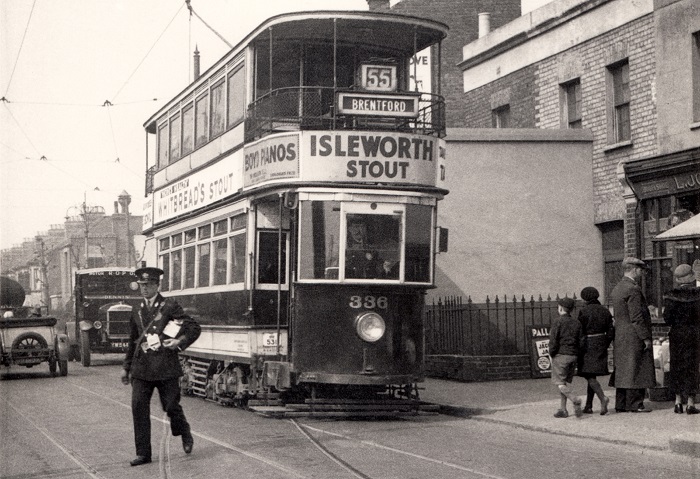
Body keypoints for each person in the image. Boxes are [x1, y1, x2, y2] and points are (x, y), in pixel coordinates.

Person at [121, 267, 201, 467]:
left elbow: (193, 327)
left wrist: (178, 341)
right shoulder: (136, 309)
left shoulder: (169, 306)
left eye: (148, 285)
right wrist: (126, 367)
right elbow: (133, 341)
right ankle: (143, 453)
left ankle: (184, 430)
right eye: (141, 285)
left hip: (165, 367)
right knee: (138, 407)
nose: (144, 289)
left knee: (171, 406)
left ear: (158, 285)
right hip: (141, 369)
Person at [609, 257, 656, 413]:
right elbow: (636, 317)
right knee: (637, 368)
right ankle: (636, 404)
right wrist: (645, 337)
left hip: (621, 334)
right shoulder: (633, 289)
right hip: (634, 334)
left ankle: (621, 404)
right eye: (640, 270)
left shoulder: (618, 287)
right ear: (635, 269)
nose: (641, 273)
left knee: (623, 369)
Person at [663, 264, 700, 414]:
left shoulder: (671, 296)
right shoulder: (698, 295)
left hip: (677, 335)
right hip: (694, 334)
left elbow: (667, 319)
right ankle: (691, 403)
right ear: (691, 277)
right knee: (693, 366)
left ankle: (677, 402)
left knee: (676, 365)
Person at [577, 286, 613, 415]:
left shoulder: (584, 311)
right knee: (592, 375)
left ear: (585, 298)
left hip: (588, 344)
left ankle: (603, 398)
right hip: (601, 342)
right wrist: (605, 343)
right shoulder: (605, 311)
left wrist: (579, 348)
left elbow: (580, 332)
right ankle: (588, 406)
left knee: (588, 374)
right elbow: (611, 331)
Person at [549, 297, 584, 418]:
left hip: (561, 355)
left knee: (559, 383)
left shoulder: (558, 321)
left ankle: (574, 399)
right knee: (564, 383)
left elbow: (553, 340)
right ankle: (563, 410)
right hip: (573, 355)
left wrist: (552, 353)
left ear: (560, 308)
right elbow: (581, 341)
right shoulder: (577, 322)